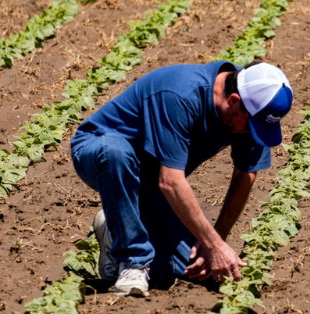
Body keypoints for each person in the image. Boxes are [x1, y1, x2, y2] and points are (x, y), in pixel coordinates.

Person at [70, 60, 293, 296]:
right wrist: (215, 246)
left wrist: (215, 242)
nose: (251, 133)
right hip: (99, 153)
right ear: (233, 101)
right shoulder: (180, 94)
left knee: (189, 272)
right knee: (115, 151)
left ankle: (115, 228)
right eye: (251, 126)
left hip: (152, 176)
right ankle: (132, 260)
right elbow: (171, 181)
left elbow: (245, 174)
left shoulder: (252, 106)